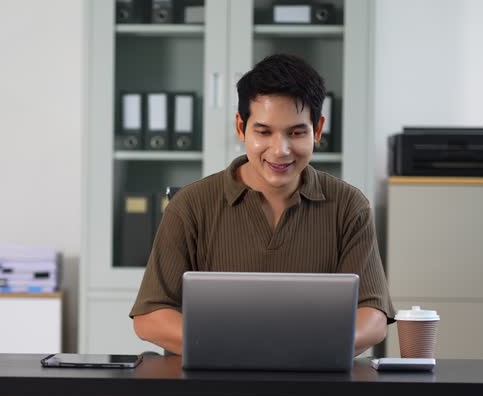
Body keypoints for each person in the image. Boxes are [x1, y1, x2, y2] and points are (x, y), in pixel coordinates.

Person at [129, 53, 393, 357]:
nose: (280, 151)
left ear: (317, 130)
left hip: (313, 385)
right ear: (241, 128)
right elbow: (150, 318)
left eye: (296, 132)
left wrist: (300, 349)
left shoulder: (349, 206)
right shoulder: (190, 205)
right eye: (264, 132)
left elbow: (373, 319)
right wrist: (240, 346)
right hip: (210, 388)